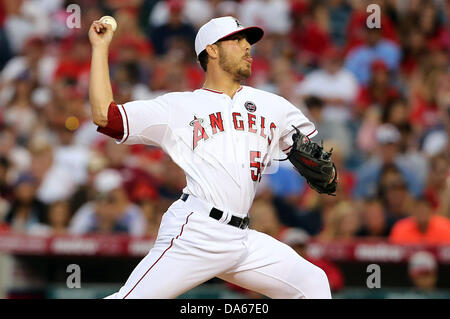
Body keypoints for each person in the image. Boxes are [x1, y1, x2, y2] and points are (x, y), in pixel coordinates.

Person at [89, 16, 333, 299]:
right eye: (238, 41)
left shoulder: (274, 106)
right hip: (197, 232)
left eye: (248, 42)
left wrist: (314, 162)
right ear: (212, 50)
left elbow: (306, 152)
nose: (247, 48)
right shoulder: (179, 107)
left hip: (242, 237)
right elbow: (106, 116)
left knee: (313, 283)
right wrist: (100, 47)